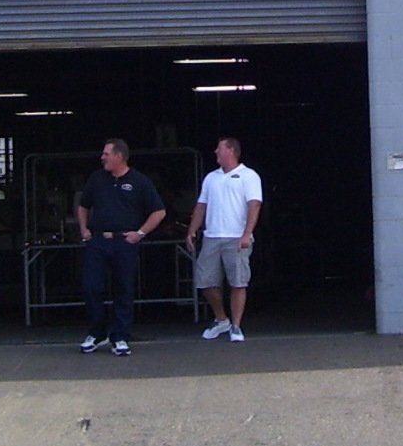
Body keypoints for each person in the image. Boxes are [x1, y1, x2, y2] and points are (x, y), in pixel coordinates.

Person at [77, 139, 165, 356]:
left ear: (119, 156)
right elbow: (83, 205)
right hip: (98, 241)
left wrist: (140, 234)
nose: (102, 157)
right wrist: (83, 229)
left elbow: (159, 211)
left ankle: (120, 336)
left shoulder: (139, 181)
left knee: (123, 289)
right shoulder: (97, 179)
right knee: (91, 287)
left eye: (106, 154)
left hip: (124, 242)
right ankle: (97, 333)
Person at [184, 137, 263, 342]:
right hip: (212, 236)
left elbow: (254, 205)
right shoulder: (211, 177)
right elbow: (201, 206)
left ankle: (236, 326)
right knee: (205, 281)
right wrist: (192, 230)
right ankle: (222, 319)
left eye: (219, 148)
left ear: (230, 150)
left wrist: (247, 233)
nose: (215, 152)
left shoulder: (249, 176)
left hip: (236, 236)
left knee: (238, 282)